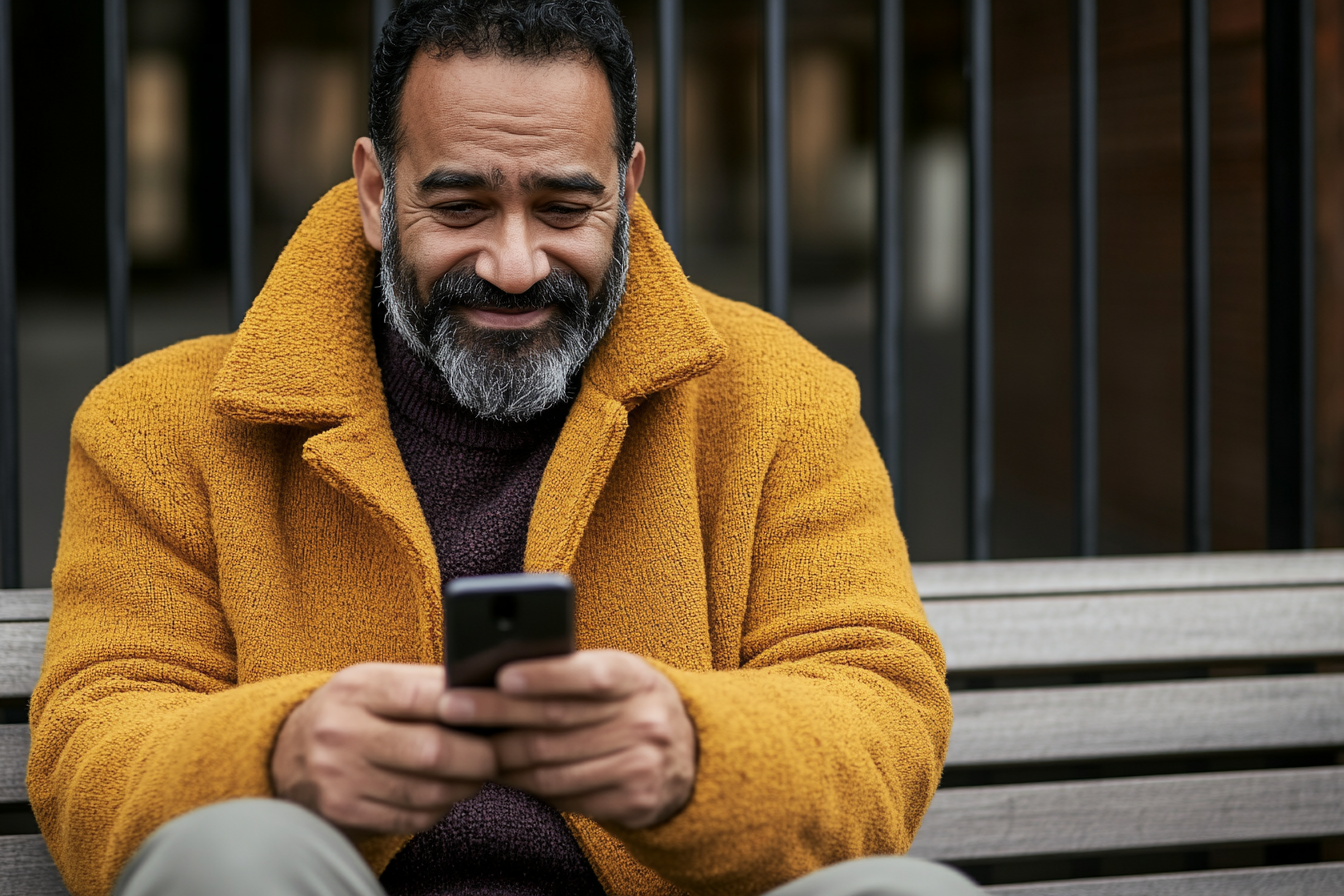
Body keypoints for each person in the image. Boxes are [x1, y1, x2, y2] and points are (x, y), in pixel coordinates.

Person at [28, 2, 979, 895]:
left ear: (629, 187)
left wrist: (693, 755)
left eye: (566, 210)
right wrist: (275, 755)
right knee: (235, 847)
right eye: (460, 207)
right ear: (373, 191)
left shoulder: (779, 398)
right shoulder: (157, 427)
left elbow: (882, 714)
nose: (514, 265)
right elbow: (92, 751)